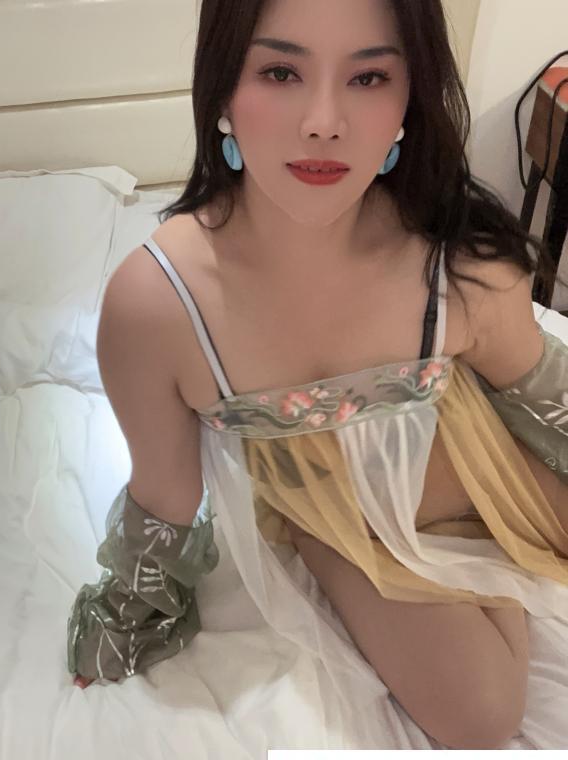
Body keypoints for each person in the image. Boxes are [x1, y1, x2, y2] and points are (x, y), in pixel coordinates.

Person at [67, 0, 568, 749]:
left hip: (493, 475)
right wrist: (126, 618)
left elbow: (544, 394)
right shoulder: (160, 304)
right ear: (222, 89)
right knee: (482, 717)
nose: (324, 122)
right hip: (344, 524)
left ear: (409, 98)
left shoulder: (456, 259)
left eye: (368, 78)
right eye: (280, 72)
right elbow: (167, 492)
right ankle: (329, 543)